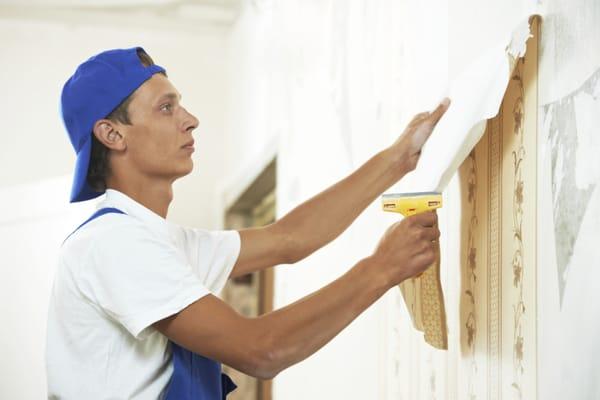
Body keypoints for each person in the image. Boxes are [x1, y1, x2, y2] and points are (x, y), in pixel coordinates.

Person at [46, 46, 449, 399]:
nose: (190, 119)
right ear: (112, 134)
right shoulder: (113, 243)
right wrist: (381, 269)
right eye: (166, 108)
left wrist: (399, 159)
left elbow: (290, 239)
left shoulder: (159, 242)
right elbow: (262, 350)